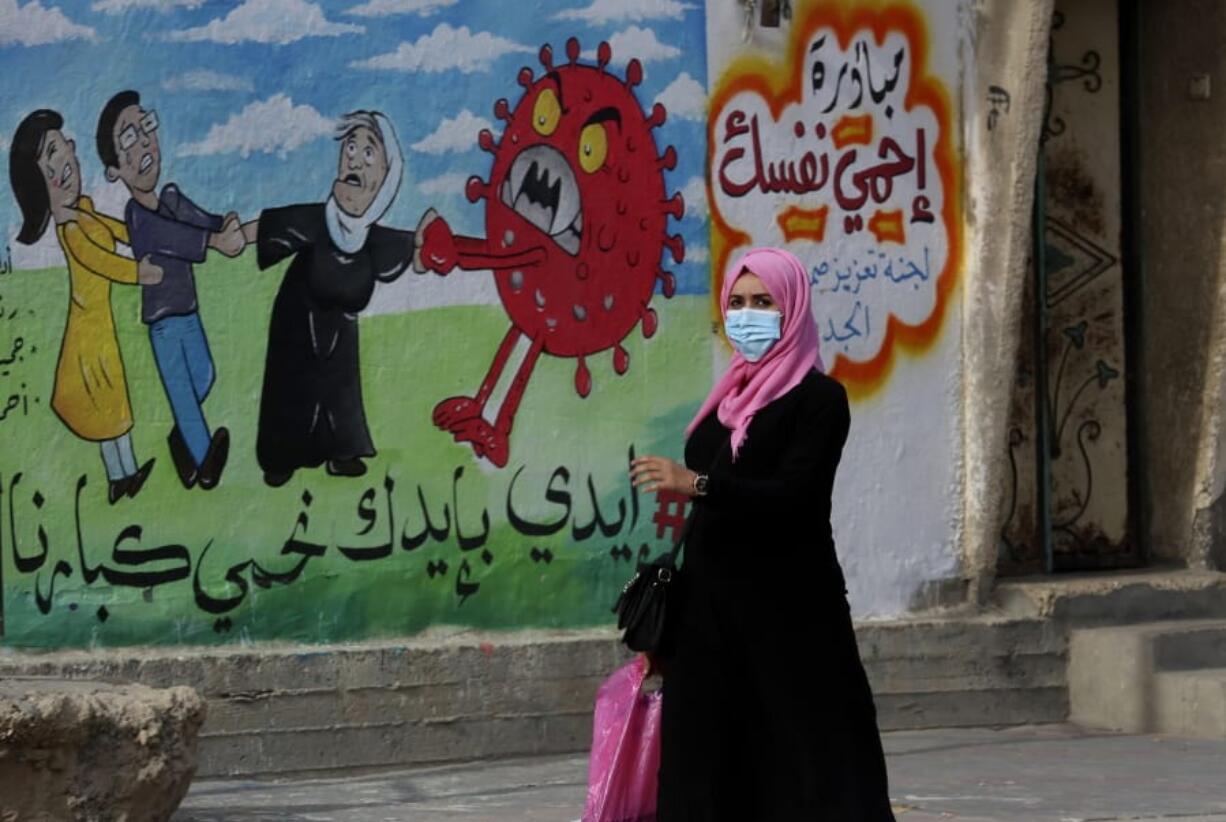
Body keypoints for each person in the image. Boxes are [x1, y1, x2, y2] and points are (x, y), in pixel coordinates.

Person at [630, 247, 896, 821]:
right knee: (703, 765)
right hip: (710, 615)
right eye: (738, 302)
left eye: (764, 302)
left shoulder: (819, 401)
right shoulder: (728, 399)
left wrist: (695, 484)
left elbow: (794, 499)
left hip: (790, 615)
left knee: (808, 763)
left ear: (792, 308)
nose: (748, 315)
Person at [237, 111, 414, 487]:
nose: (354, 158)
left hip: (339, 336)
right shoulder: (320, 220)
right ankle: (280, 459)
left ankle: (342, 453)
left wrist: (438, 244)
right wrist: (228, 237)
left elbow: (417, 249)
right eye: (351, 147)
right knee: (291, 390)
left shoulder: (372, 239)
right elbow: (268, 228)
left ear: (386, 177)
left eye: (369, 152)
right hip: (296, 327)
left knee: (341, 391)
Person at [8, 109, 161, 504]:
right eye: (48, 162)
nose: (61, 164)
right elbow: (100, 261)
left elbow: (117, 231)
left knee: (114, 400)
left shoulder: (86, 210)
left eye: (59, 149)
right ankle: (120, 476)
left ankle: (124, 474)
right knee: (105, 402)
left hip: (101, 325)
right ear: (39, 185)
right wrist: (137, 272)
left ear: (73, 150)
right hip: (86, 333)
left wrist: (145, 235)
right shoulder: (71, 231)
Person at [97, 90, 243, 491]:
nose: (145, 141)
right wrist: (213, 242)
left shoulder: (173, 198)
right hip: (163, 323)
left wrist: (223, 227)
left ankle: (184, 442)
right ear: (115, 171)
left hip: (189, 311)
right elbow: (176, 237)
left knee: (204, 375)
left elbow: (201, 221)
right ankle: (205, 463)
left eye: (147, 127)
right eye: (129, 137)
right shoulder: (137, 216)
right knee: (182, 395)